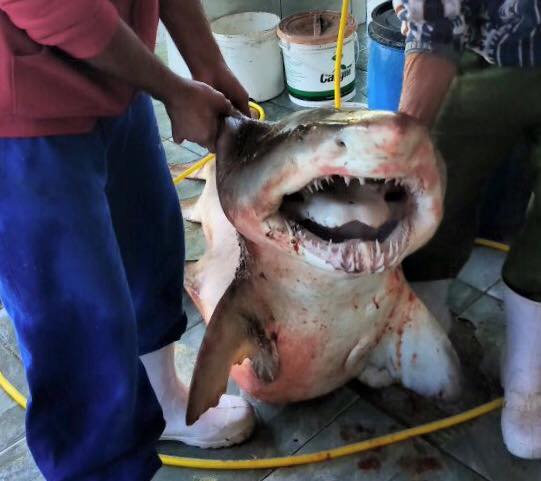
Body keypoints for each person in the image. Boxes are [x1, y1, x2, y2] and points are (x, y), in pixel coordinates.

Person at [0, 1, 256, 480]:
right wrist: (175, 91)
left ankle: (163, 399)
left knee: (150, 245)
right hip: (20, 112)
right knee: (78, 328)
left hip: (117, 76)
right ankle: (101, 469)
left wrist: (207, 63)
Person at [394, 0, 541, 460]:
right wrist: (401, 146)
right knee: (438, 170)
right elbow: (432, 18)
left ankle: (528, 376)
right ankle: (427, 318)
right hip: (486, 46)